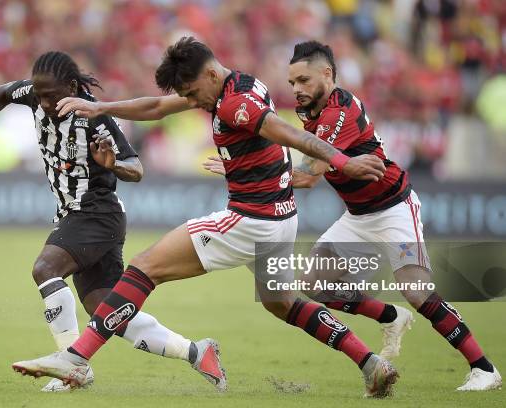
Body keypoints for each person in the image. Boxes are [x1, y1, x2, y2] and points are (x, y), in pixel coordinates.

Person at [12, 37, 399, 398]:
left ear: (211, 75)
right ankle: (371, 364)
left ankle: (76, 359)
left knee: (144, 268)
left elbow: (285, 132)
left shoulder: (235, 103)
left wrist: (342, 162)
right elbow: (158, 107)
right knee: (283, 303)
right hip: (281, 216)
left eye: (193, 92)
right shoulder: (234, 85)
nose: (192, 100)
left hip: (250, 219)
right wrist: (101, 107)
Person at [204, 40, 502, 392]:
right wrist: (246, 169)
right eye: (292, 83)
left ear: (327, 74)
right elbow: (306, 175)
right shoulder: (307, 112)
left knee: (416, 290)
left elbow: (310, 172)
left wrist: (244, 171)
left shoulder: (340, 109)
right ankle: (391, 317)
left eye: (303, 80)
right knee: (315, 282)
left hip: (394, 208)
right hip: (359, 216)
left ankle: (484, 368)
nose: (296, 90)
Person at [0, 51, 226, 393]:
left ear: (72, 86)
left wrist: (112, 163)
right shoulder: (36, 92)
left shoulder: (97, 118)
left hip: (96, 213)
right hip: (77, 215)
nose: (43, 102)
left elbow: (136, 168)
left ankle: (72, 366)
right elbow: (3, 92)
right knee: (108, 312)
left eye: (51, 96)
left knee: (45, 268)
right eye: (39, 95)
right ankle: (197, 352)